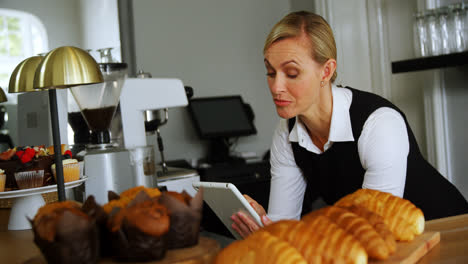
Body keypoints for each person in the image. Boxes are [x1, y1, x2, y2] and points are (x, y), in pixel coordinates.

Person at [231, 11, 468, 239]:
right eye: (270, 73)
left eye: (291, 73)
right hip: (390, 244)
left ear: (326, 71)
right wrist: (265, 231)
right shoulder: (287, 132)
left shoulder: (379, 123)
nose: (276, 86)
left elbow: (371, 231)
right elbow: (283, 226)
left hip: (447, 232)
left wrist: (294, 236)